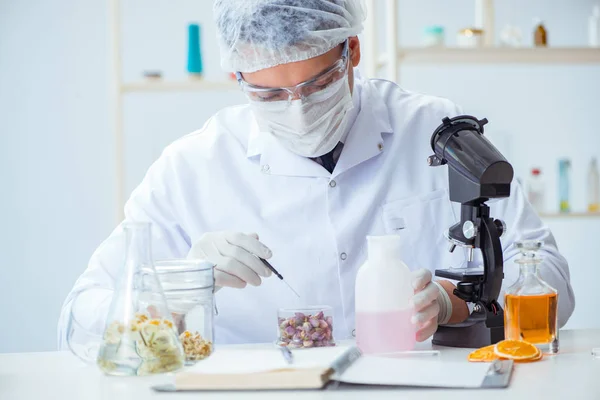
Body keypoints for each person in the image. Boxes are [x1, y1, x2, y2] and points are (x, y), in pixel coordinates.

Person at [58, 0, 575, 347]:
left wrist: (453, 304)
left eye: (317, 83)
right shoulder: (192, 168)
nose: (298, 109)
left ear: (351, 51)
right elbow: (80, 320)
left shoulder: (436, 131)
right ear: (236, 76)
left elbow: (551, 280)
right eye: (268, 93)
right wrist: (180, 289)